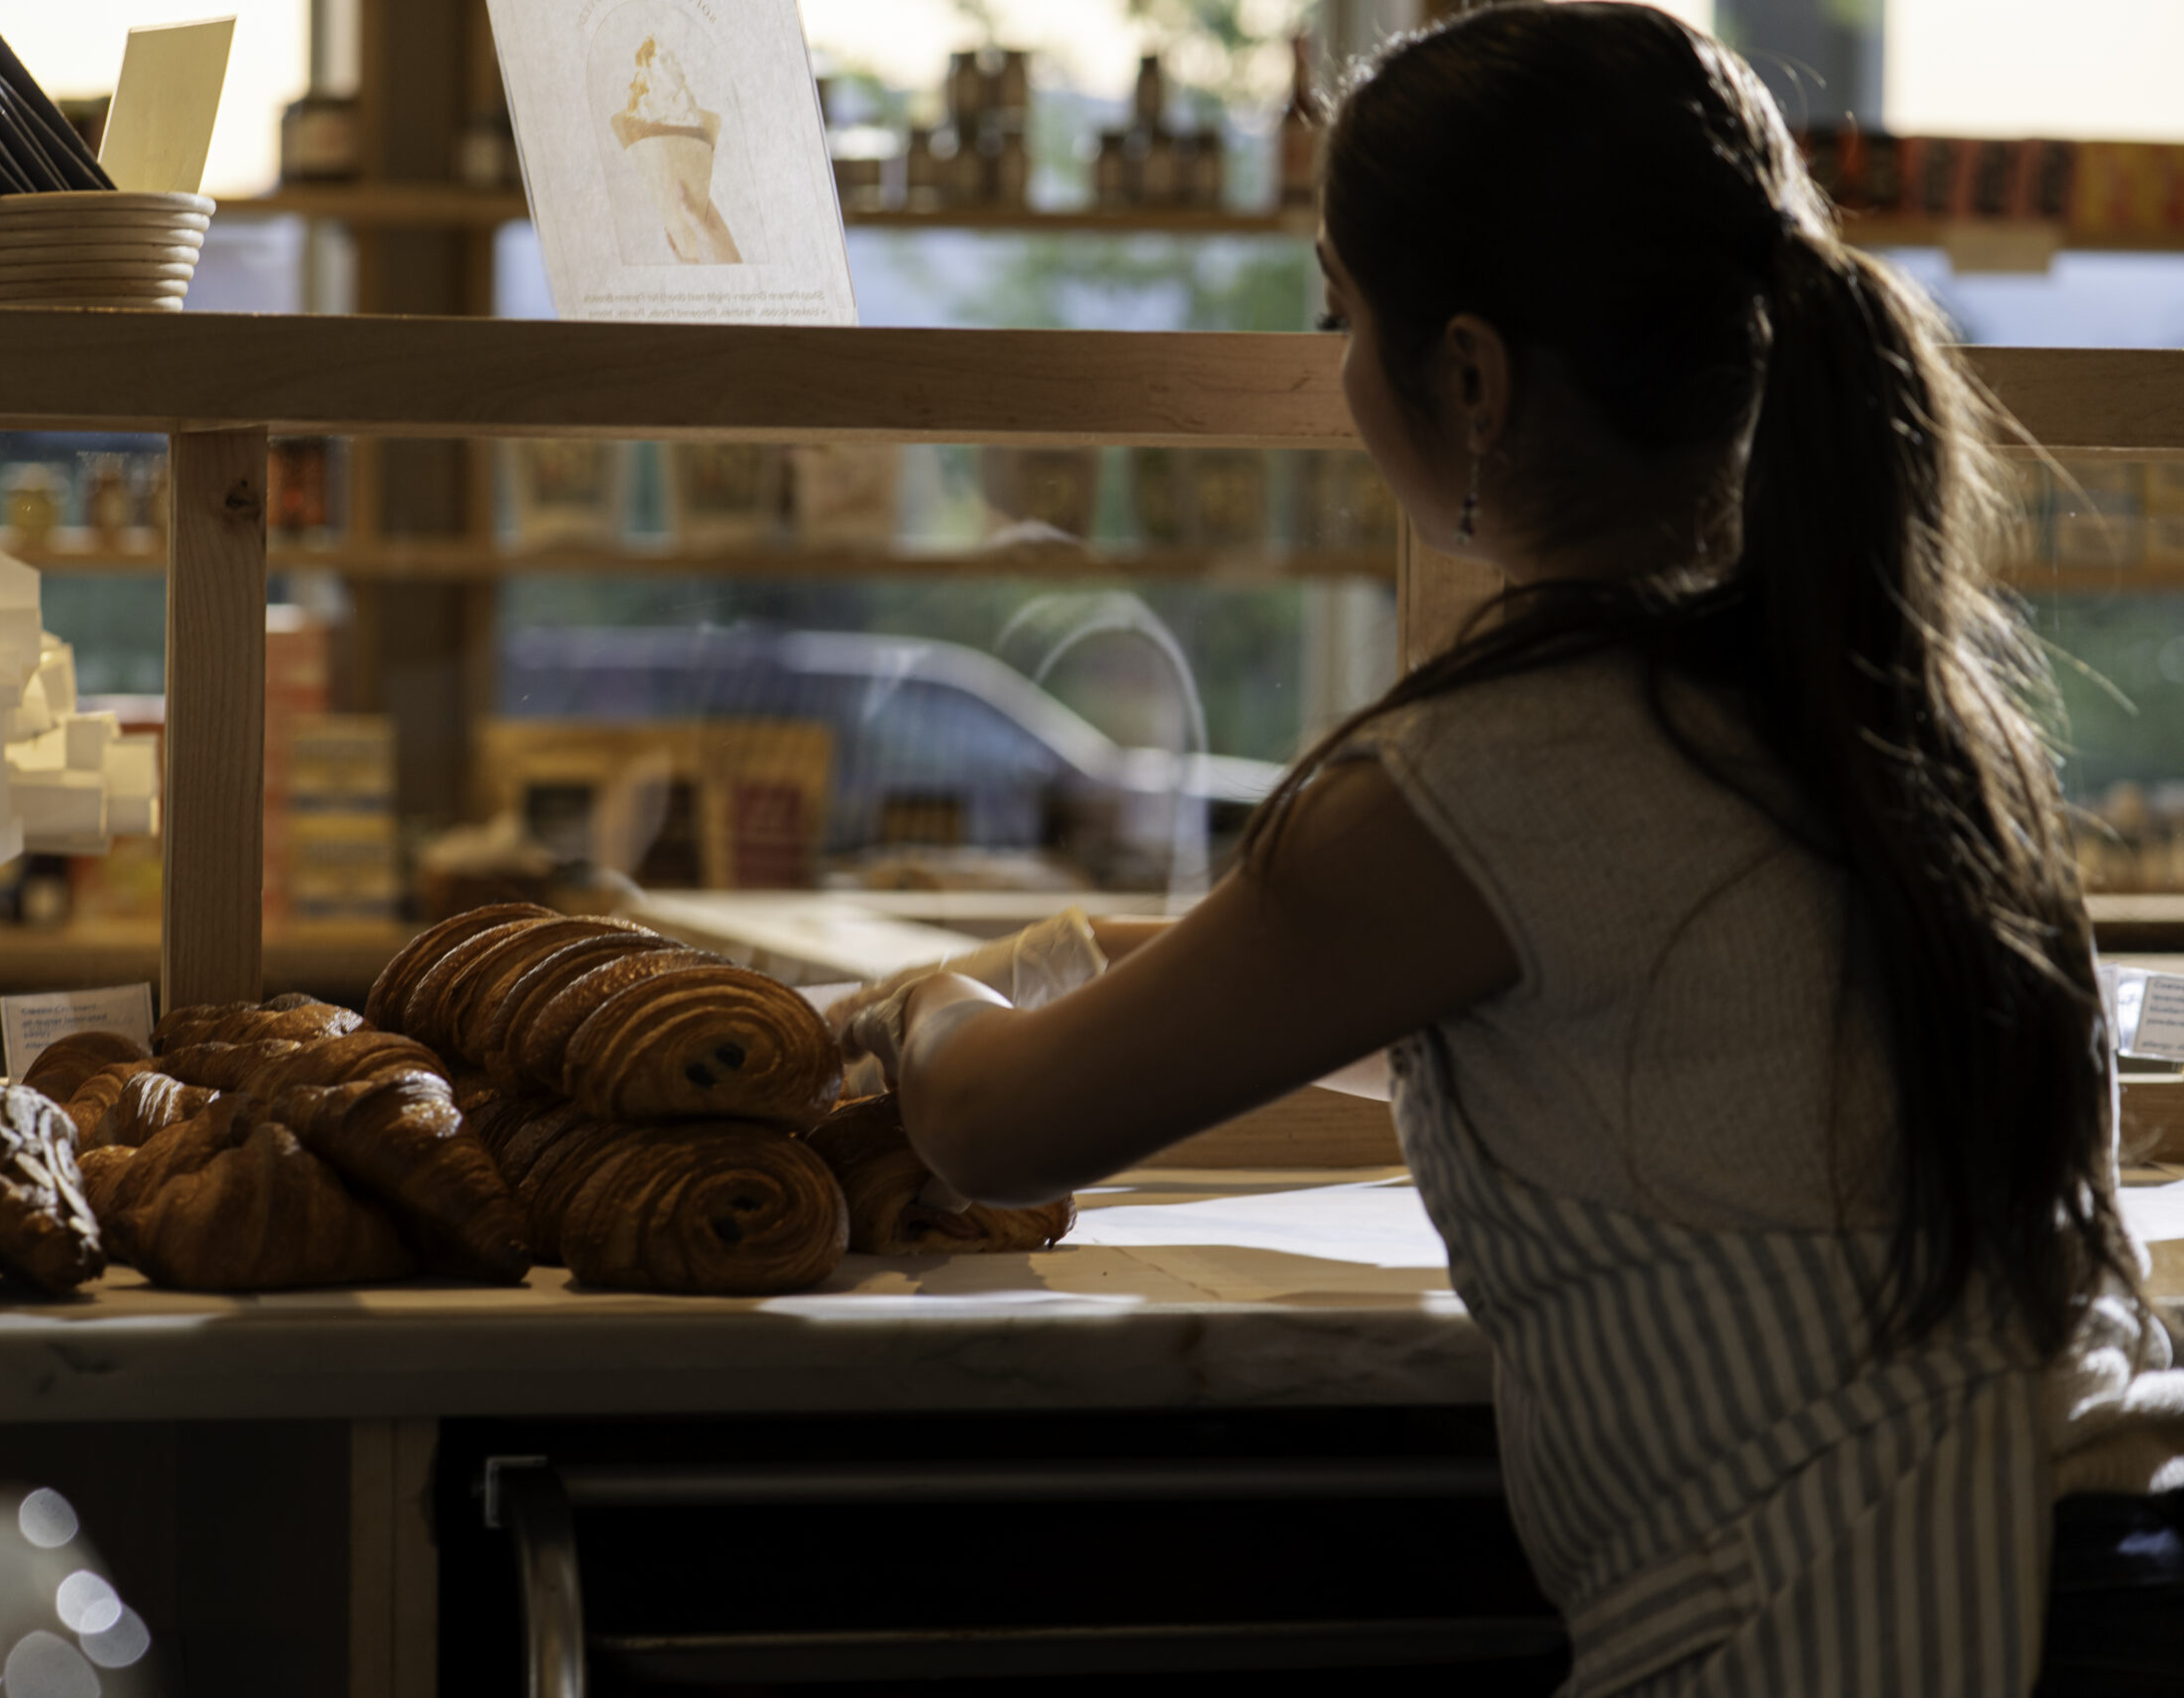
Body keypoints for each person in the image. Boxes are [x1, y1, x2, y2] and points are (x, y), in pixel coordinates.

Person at [841, 6, 2184, 1693]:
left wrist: (919, 1008)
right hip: (2121, 1581)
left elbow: (998, 1129)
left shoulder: (1494, 769)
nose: (1337, 369)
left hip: (1883, 1631)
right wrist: (1089, 975)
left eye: (1341, 312)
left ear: (1469, 374)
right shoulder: (1893, 711)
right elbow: (1619, 1072)